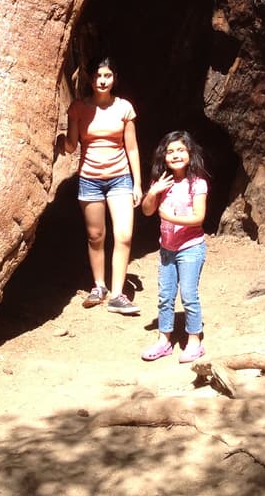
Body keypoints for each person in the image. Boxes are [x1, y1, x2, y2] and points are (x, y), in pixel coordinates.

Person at [58, 57, 142, 315]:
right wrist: (60, 141)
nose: (102, 81)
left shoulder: (124, 108)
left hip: (120, 177)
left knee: (124, 235)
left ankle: (118, 295)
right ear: (90, 80)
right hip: (90, 178)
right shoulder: (79, 108)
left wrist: (137, 183)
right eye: (97, 76)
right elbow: (73, 145)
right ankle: (99, 286)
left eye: (107, 75)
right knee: (96, 236)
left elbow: (132, 147)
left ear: (114, 78)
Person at [139, 130, 209, 362]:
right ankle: (163, 341)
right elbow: (147, 210)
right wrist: (154, 191)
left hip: (191, 248)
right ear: (163, 156)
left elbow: (198, 218)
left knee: (189, 295)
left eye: (180, 150)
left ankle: (194, 342)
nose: (175, 155)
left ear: (190, 153)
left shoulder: (197, 183)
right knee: (165, 295)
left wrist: (171, 217)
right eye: (170, 152)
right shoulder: (161, 182)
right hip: (167, 249)